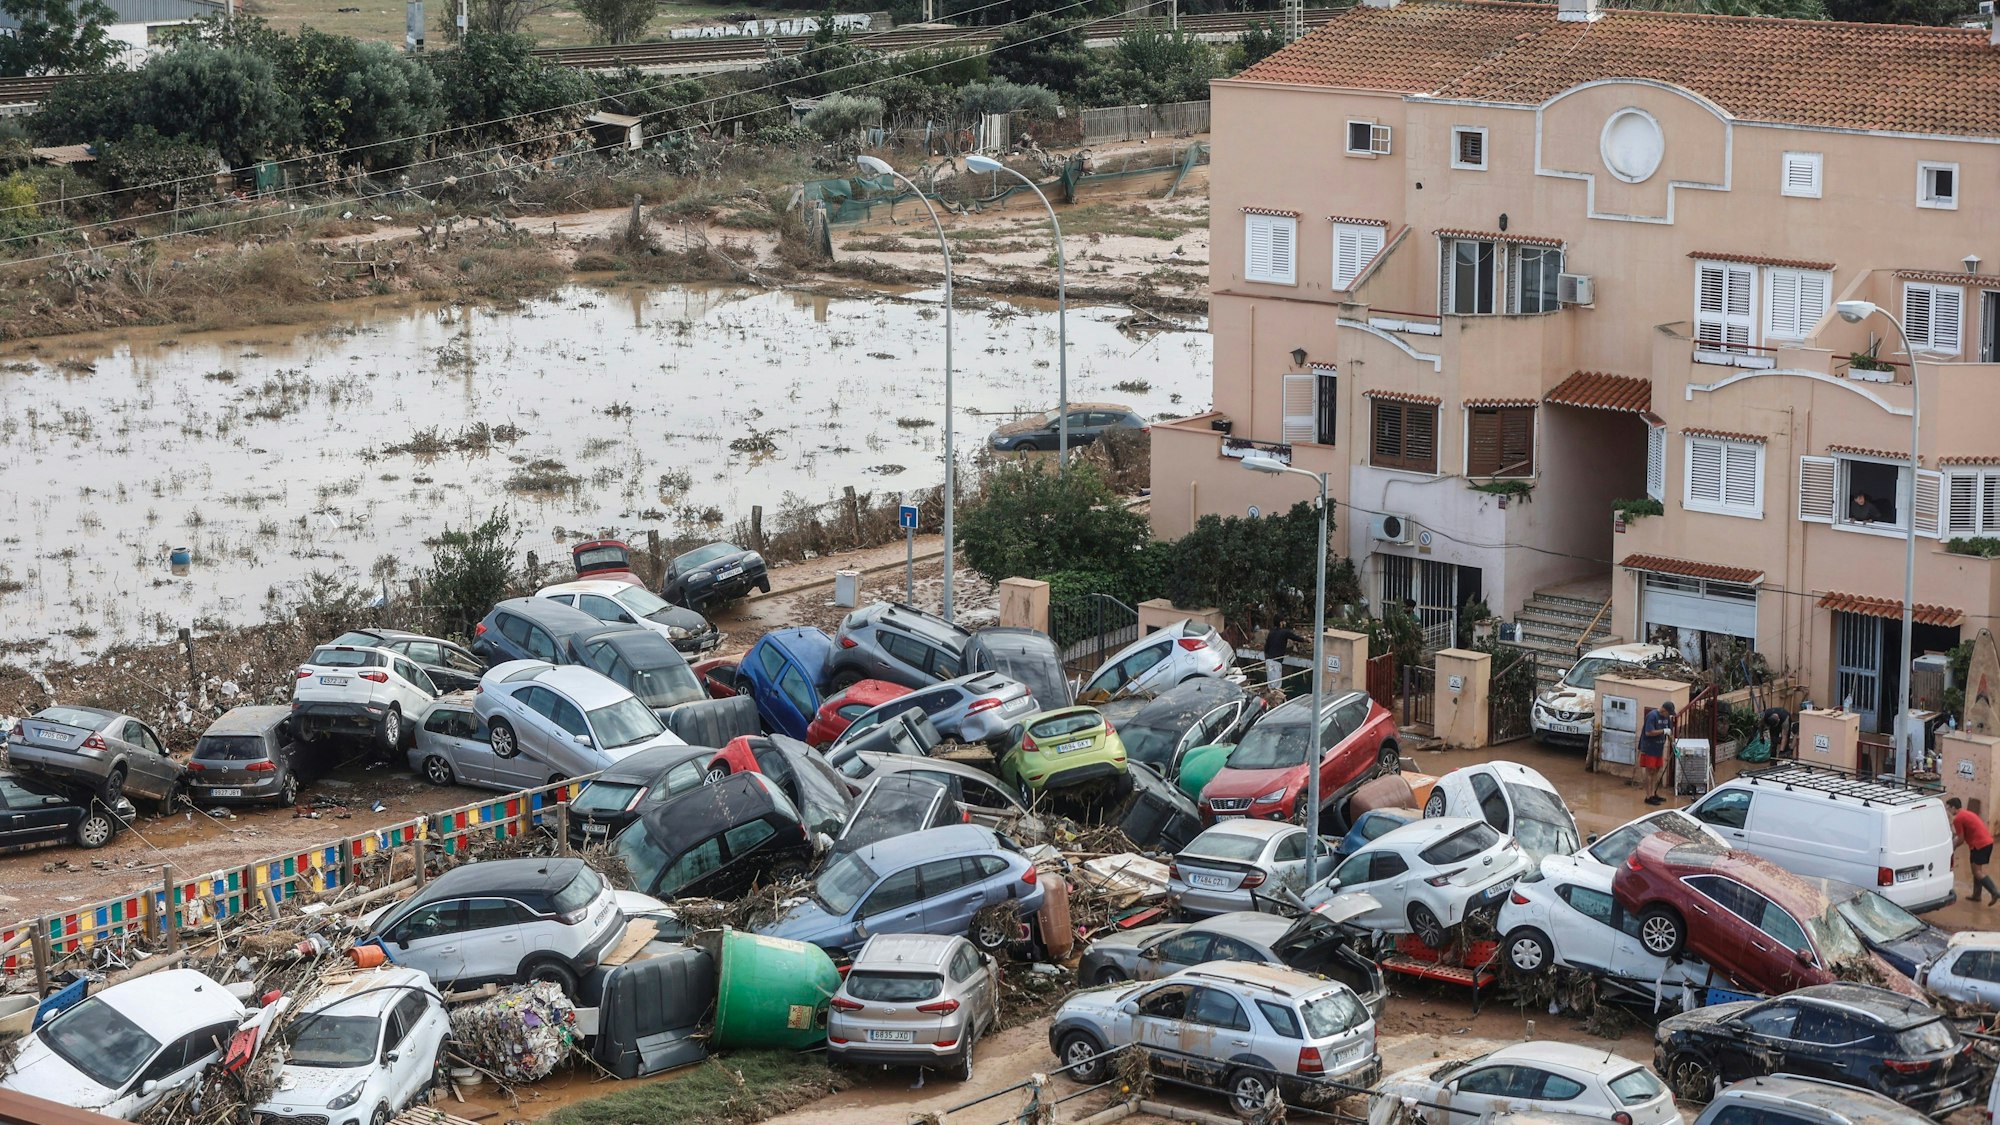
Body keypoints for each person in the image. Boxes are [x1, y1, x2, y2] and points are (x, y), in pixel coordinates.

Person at [1949, 796, 2000, 904]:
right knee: (1975, 870)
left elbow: (1961, 839)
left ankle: (1994, 892)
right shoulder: (1967, 813)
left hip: (1979, 845)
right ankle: (1977, 895)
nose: (1948, 810)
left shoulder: (1958, 818)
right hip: (1986, 843)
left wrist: (1952, 848)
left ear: (1953, 807)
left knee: (1977, 872)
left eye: (1949, 808)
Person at [1640, 700, 1676, 806]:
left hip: (1659, 748)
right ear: (1664, 710)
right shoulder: (1652, 716)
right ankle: (1648, 796)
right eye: (1668, 713)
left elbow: (1670, 732)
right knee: (1650, 771)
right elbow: (1648, 732)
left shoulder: (1667, 718)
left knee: (1656, 770)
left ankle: (1653, 793)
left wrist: (1673, 743)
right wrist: (1663, 731)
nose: (1669, 715)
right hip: (1649, 748)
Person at [1263, 620, 1303, 693]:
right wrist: (1305, 640)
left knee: (1271, 685)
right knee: (1276, 687)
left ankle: (1271, 697)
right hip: (1276, 662)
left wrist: (1267, 658)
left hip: (1269, 661)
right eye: (1283, 621)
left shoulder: (1271, 633)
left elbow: (1266, 647)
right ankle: (1276, 698)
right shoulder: (1285, 632)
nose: (1285, 623)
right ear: (1281, 623)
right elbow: (1295, 637)